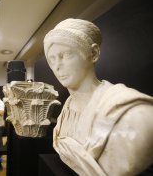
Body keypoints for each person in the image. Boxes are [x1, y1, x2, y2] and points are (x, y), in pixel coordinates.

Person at [43, 18, 153, 176]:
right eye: (52, 59)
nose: (57, 66)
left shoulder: (134, 115)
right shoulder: (66, 108)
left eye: (66, 55)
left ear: (93, 53)